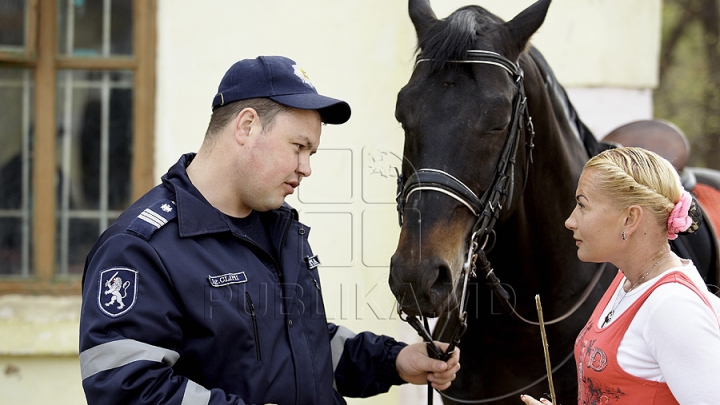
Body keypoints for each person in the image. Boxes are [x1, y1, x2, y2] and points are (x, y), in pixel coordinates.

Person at [78, 55, 460, 405]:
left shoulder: (278, 228)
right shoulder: (141, 248)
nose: (306, 167)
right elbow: (127, 389)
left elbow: (298, 343)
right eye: (298, 147)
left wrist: (393, 361)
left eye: (311, 153)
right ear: (246, 126)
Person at [521, 147, 720, 405]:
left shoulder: (672, 308)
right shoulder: (627, 280)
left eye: (582, 205)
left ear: (630, 218)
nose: (570, 221)